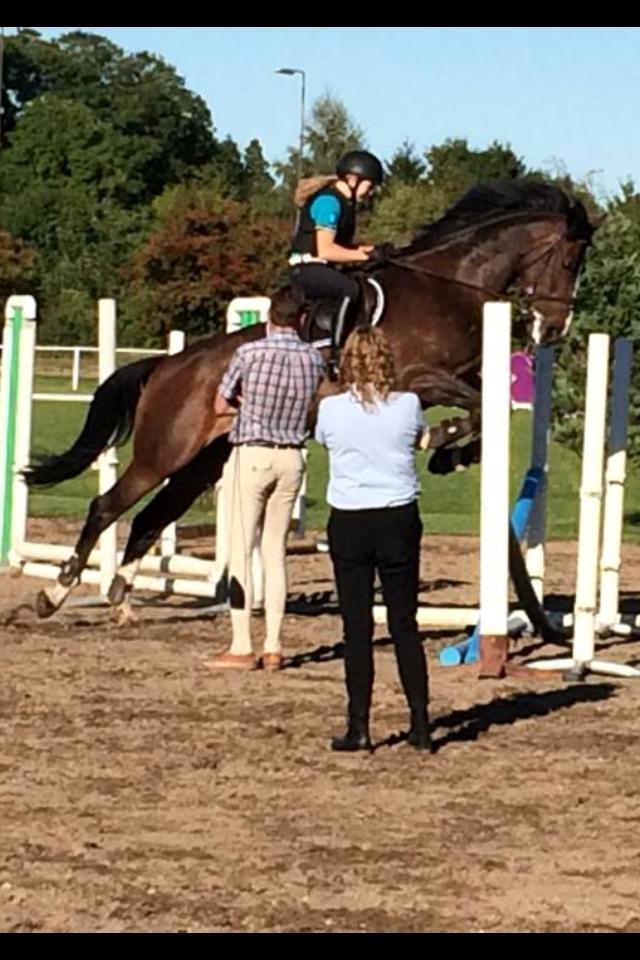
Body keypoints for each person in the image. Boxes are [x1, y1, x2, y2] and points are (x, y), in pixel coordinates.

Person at [315, 326, 431, 752]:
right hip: (398, 514)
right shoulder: (409, 405)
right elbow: (415, 439)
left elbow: (327, 445)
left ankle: (359, 724)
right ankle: (420, 724)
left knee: (357, 627)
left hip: (350, 516)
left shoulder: (330, 410)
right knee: (404, 624)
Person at [206, 292, 325, 672]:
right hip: (292, 455)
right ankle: (274, 644)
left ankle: (242, 643)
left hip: (253, 451)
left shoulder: (249, 353)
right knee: (275, 552)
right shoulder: (313, 359)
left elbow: (220, 406)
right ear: (301, 320)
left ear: (271, 318)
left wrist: (248, 403)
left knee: (242, 549)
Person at [288, 149, 385, 313]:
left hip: (323, 268)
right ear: (353, 180)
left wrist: (374, 250)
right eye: (369, 186)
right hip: (307, 269)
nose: (371, 193)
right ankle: (338, 339)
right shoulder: (329, 202)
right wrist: (364, 256)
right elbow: (326, 250)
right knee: (351, 289)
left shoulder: (345, 203)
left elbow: (342, 248)